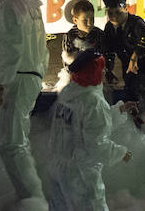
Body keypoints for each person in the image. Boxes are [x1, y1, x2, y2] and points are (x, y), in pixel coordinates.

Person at [0, 0, 46, 202]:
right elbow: (42, 44)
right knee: (18, 141)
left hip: (18, 79)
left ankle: (30, 198)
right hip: (32, 76)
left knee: (10, 144)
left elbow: (10, 49)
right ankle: (29, 195)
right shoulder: (30, 4)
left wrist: (0, 85)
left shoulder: (7, 6)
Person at [44, 49, 131, 211]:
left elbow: (83, 125)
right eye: (101, 68)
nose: (104, 71)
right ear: (94, 72)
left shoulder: (68, 95)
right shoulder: (93, 102)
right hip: (80, 175)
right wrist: (121, 153)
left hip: (57, 168)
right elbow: (96, 145)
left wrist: (119, 111)